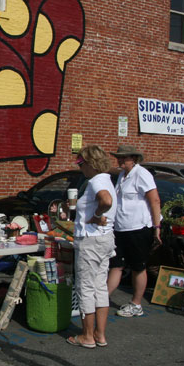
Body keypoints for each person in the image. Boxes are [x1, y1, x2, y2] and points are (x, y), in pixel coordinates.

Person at [67, 145, 116, 349]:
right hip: (105, 239)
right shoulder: (107, 179)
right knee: (99, 287)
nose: (80, 168)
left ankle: (87, 336)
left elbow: (106, 200)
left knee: (85, 288)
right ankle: (100, 334)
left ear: (90, 163)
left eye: (81, 163)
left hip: (91, 240)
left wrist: (96, 216)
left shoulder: (96, 181)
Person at [107, 144, 162, 318]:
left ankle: (136, 304)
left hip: (138, 228)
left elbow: (155, 200)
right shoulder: (122, 175)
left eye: (124, 157)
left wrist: (156, 228)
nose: (120, 160)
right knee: (116, 265)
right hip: (121, 228)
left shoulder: (142, 174)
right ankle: (101, 299)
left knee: (138, 267)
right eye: (119, 157)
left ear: (134, 159)